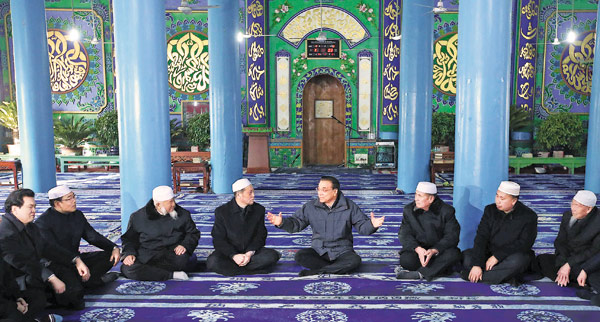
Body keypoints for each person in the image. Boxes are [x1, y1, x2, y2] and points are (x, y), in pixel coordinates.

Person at [267, 176, 385, 276]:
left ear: (335, 191)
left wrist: (372, 225)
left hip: (342, 251)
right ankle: (335, 269)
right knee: (300, 256)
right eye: (318, 189)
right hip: (319, 251)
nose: (320, 193)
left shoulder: (349, 206)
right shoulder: (310, 207)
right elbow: (296, 223)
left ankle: (318, 271)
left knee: (354, 261)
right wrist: (281, 222)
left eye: (324, 190)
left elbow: (362, 227)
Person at [0, 189, 89, 311]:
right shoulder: (4, 232)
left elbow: (47, 248)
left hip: (38, 269)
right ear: (15, 209)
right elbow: (21, 262)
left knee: (75, 295)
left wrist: (75, 260)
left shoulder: (30, 226)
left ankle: (53, 297)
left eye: (35, 207)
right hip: (17, 279)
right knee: (37, 300)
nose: (34, 211)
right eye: (30, 207)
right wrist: (50, 277)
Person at [35, 186, 120, 288]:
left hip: (77, 261)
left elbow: (92, 236)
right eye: (69, 199)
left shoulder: (77, 215)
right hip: (56, 263)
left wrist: (113, 247)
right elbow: (53, 250)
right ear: (57, 203)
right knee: (75, 296)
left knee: (109, 256)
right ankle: (91, 282)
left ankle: (85, 281)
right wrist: (75, 260)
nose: (74, 201)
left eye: (73, 197)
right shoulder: (43, 223)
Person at [461, 181, 538, 284]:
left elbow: (524, 244)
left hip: (511, 255)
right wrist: (477, 264)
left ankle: (475, 276)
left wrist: (497, 256)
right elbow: (481, 236)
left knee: (518, 262)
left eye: (502, 199)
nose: (498, 201)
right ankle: (505, 276)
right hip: (490, 252)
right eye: (497, 196)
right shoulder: (490, 210)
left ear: (514, 201)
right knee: (466, 256)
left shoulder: (529, 216)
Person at [121, 186, 200, 281]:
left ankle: (151, 272)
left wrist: (184, 245)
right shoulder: (137, 217)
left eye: (173, 200)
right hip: (147, 256)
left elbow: (193, 233)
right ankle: (171, 275)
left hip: (172, 255)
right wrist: (129, 254)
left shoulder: (183, 214)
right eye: (170, 202)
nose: (173, 204)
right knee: (128, 269)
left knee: (187, 260)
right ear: (158, 205)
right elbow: (129, 239)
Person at [207, 178, 280, 276]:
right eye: (250, 193)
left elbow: (260, 236)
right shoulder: (222, 212)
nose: (253, 196)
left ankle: (234, 270)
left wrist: (249, 253)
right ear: (239, 194)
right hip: (230, 254)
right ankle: (254, 270)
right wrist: (234, 256)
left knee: (272, 256)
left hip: (251, 254)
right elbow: (218, 239)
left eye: (253, 192)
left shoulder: (259, 210)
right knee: (213, 262)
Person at [396, 181, 461, 281]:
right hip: (419, 251)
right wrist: (418, 249)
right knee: (406, 260)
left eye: (420, 196)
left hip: (439, 251)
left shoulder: (447, 211)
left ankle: (421, 273)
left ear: (431, 199)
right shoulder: (409, 210)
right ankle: (437, 269)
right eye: (416, 194)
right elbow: (404, 233)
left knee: (453, 254)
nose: (416, 198)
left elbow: (452, 236)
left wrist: (435, 250)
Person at [535, 190, 600, 288]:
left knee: (590, 273)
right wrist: (564, 263)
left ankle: (574, 279)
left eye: (577, 206)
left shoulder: (597, 223)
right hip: (567, 257)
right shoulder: (568, 215)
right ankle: (575, 281)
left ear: (588, 209)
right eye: (572, 204)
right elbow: (560, 242)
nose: (573, 208)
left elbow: (593, 251)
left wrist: (569, 264)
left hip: (585, 261)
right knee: (541, 260)